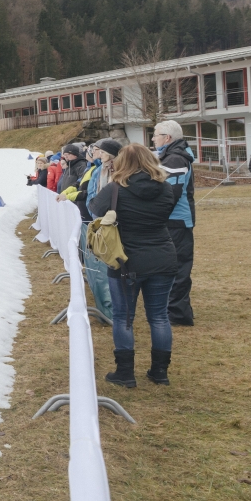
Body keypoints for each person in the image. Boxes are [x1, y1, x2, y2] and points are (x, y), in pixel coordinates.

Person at [89, 143, 179, 387]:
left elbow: (94, 208)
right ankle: (160, 372)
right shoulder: (166, 188)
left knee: (124, 316)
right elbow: (165, 214)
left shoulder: (115, 189)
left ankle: (126, 372)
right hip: (162, 256)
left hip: (125, 261)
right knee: (159, 317)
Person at [61, 139, 122, 319]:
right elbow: (90, 193)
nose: (97, 153)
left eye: (100, 151)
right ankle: (107, 306)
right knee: (100, 266)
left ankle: (111, 309)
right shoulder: (97, 170)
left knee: (107, 266)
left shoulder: (114, 171)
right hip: (97, 222)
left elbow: (92, 193)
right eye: (97, 150)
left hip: (108, 224)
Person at [152, 120, 196, 326]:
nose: (153, 138)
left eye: (155, 135)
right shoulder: (171, 156)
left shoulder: (176, 158)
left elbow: (171, 194)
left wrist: (156, 216)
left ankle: (178, 314)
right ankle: (175, 310)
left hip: (176, 221)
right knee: (170, 266)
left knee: (177, 267)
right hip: (172, 220)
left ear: (167, 138)